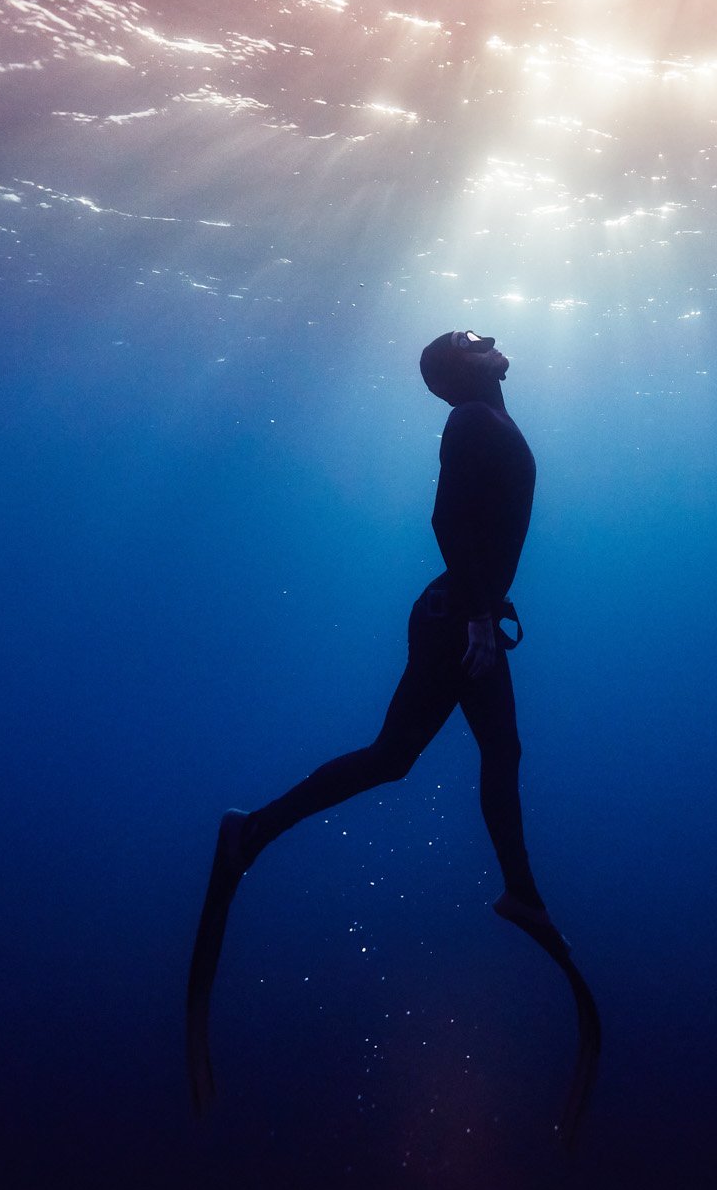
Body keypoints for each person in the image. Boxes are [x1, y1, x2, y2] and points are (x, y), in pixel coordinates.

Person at [186, 329, 599, 1141]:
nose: (490, 337)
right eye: (473, 338)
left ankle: (260, 834)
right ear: (457, 368)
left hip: (464, 613)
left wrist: (484, 609)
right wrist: (477, 618)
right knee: (426, 756)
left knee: (419, 757)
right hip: (455, 618)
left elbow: (479, 528)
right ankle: (258, 833)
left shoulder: (487, 417)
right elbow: (446, 519)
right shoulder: (472, 420)